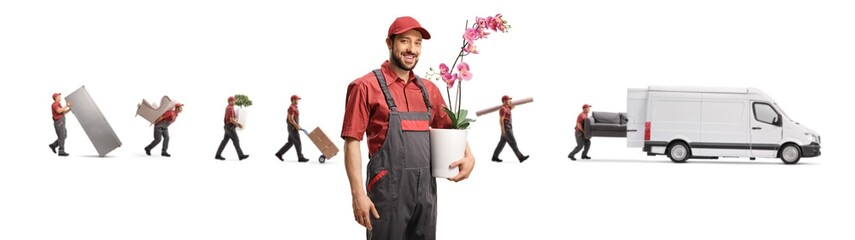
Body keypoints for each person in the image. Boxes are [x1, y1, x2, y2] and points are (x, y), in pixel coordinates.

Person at [341, 16, 475, 240]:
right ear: (389, 43)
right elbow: (351, 141)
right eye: (404, 41)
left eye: (417, 42)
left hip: (425, 191)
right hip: (386, 190)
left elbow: (451, 128)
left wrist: (469, 156)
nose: (412, 49)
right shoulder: (365, 86)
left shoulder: (428, 90)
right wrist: (358, 195)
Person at [491, 95, 530, 163]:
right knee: (513, 143)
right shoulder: (503, 109)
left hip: (509, 128)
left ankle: (495, 157)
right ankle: (521, 157)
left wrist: (511, 103)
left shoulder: (507, 108)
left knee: (501, 143)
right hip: (506, 129)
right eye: (508, 100)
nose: (509, 100)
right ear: (504, 101)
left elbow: (513, 107)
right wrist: (502, 130)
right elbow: (501, 120)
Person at [276, 95, 309, 162]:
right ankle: (300, 157)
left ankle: (279, 153)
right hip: (292, 128)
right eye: (296, 99)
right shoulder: (291, 108)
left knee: (290, 142)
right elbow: (290, 119)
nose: (298, 100)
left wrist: (297, 125)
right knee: (298, 141)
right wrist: (296, 125)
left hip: (292, 127)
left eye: (298, 99)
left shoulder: (295, 107)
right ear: (293, 100)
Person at [215, 96, 249, 161]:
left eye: (234, 100)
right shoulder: (230, 108)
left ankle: (217, 155)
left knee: (224, 141)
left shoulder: (228, 107)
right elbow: (231, 120)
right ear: (230, 101)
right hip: (230, 127)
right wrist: (239, 125)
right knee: (236, 140)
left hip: (226, 127)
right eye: (233, 100)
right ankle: (241, 156)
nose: (235, 101)